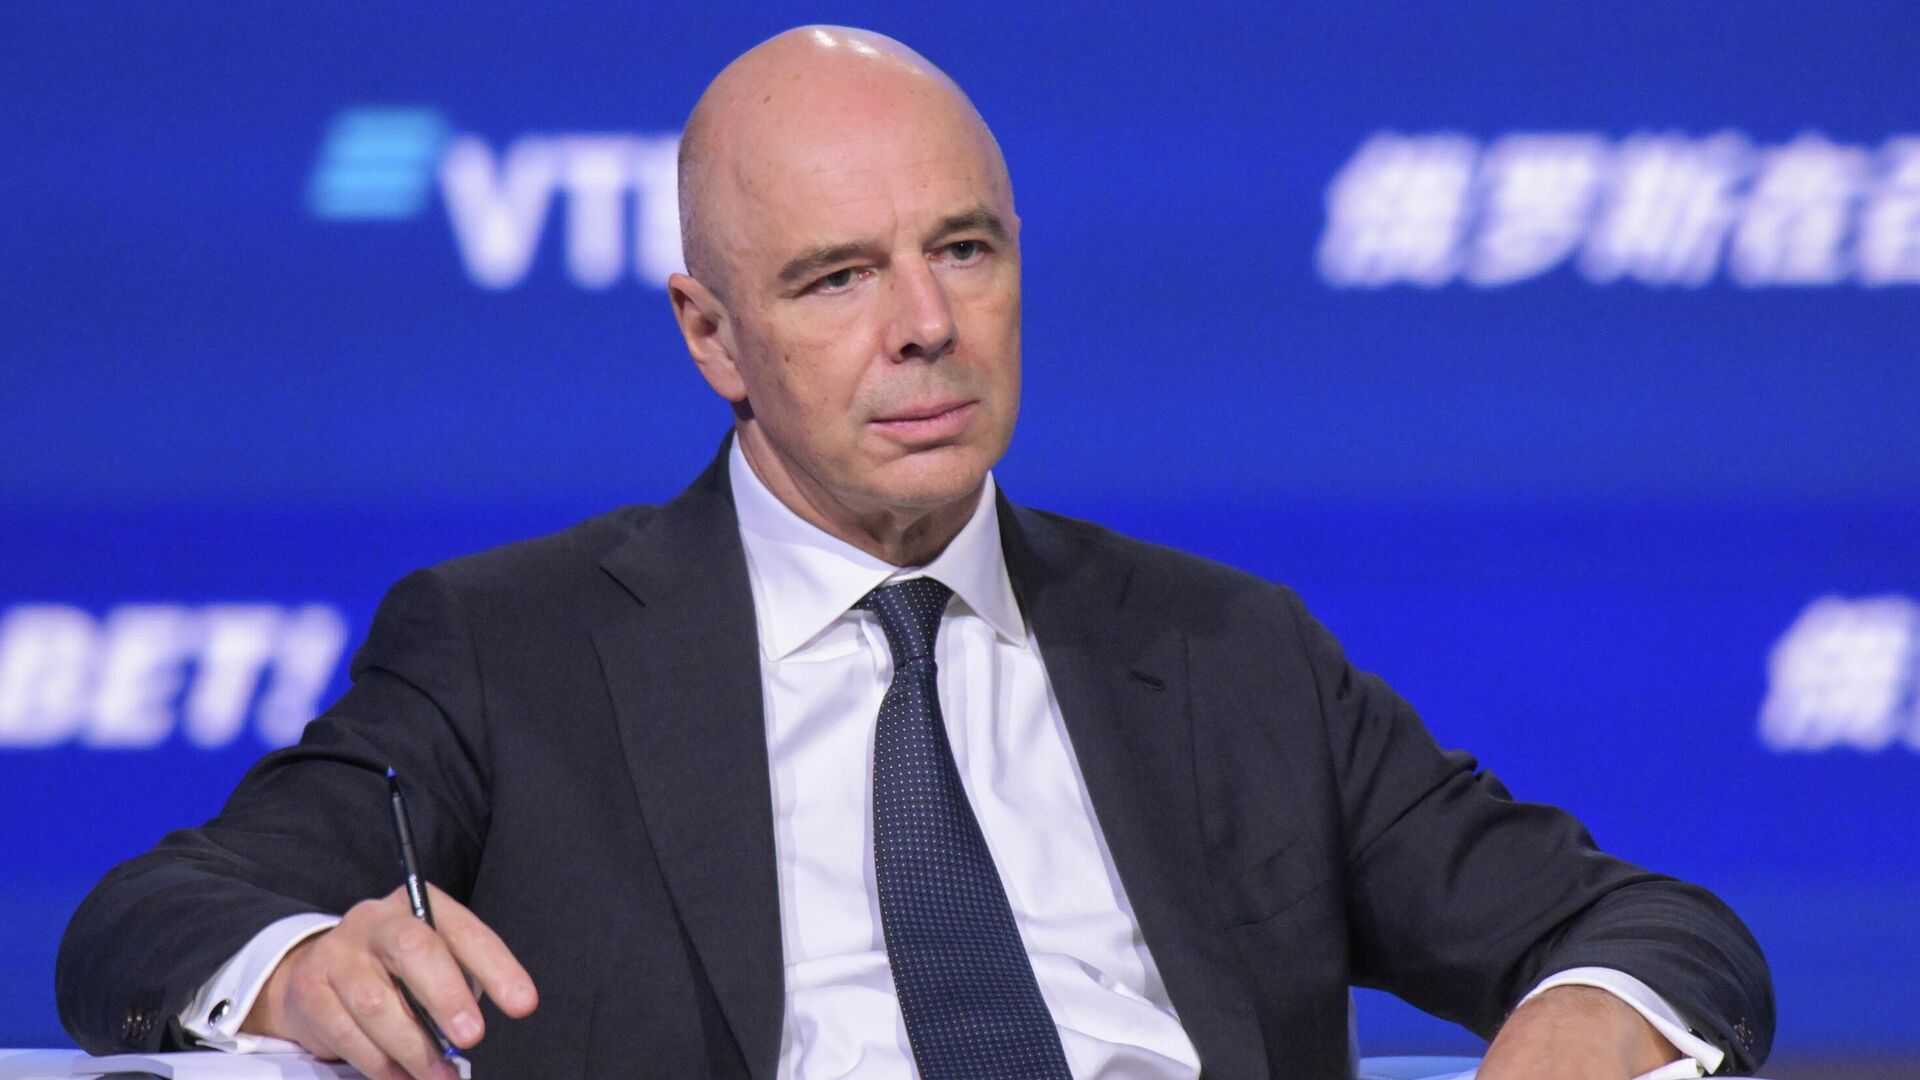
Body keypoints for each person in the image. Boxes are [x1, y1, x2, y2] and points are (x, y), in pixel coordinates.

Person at [57, 25, 1772, 1080]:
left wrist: (1587, 1023)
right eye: (835, 277)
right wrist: (298, 966)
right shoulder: (513, 649)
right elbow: (150, 919)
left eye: (965, 250)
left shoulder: (1226, 653)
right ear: (712, 335)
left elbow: (1648, 926)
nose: (927, 325)